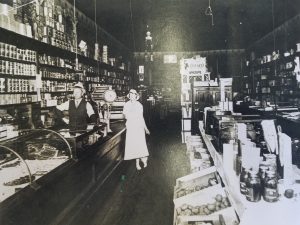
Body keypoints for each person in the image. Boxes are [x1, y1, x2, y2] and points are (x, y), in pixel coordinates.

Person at [123, 89, 150, 170]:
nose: (132, 95)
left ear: (136, 96)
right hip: (131, 127)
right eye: (130, 93)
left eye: (133, 93)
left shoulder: (139, 105)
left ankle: (144, 159)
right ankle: (137, 163)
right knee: (133, 145)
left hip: (138, 127)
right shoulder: (126, 104)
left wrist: (146, 128)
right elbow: (125, 116)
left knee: (139, 145)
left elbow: (141, 118)